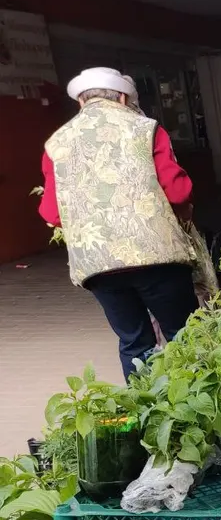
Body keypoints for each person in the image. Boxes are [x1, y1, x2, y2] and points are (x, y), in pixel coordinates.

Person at [38, 67, 200, 380]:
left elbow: (52, 213)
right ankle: (199, 412)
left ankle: (147, 414)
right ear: (124, 97)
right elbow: (178, 191)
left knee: (133, 341)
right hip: (157, 255)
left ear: (81, 101)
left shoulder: (57, 143)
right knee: (185, 336)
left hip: (99, 265)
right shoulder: (145, 129)